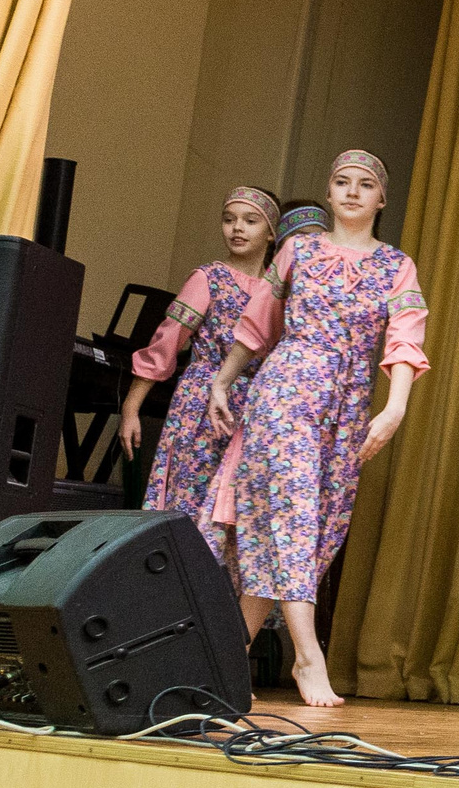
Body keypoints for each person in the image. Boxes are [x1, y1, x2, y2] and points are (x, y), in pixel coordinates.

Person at [206, 151, 428, 707]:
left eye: (366, 184)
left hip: (348, 405)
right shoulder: (297, 250)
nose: (352, 192)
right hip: (287, 389)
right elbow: (258, 324)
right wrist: (221, 382)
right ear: (328, 194)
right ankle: (309, 657)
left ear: (382, 199)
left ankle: (222, 661)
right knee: (293, 518)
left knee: (315, 528)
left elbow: (404, 339)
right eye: (341, 182)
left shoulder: (396, 266)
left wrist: (395, 407)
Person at [116, 187, 279, 565]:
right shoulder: (209, 278)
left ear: (271, 232)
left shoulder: (279, 289)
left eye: (250, 221)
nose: (237, 229)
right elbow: (165, 344)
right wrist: (131, 408)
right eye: (229, 219)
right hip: (201, 407)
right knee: (189, 503)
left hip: (252, 413)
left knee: (237, 517)